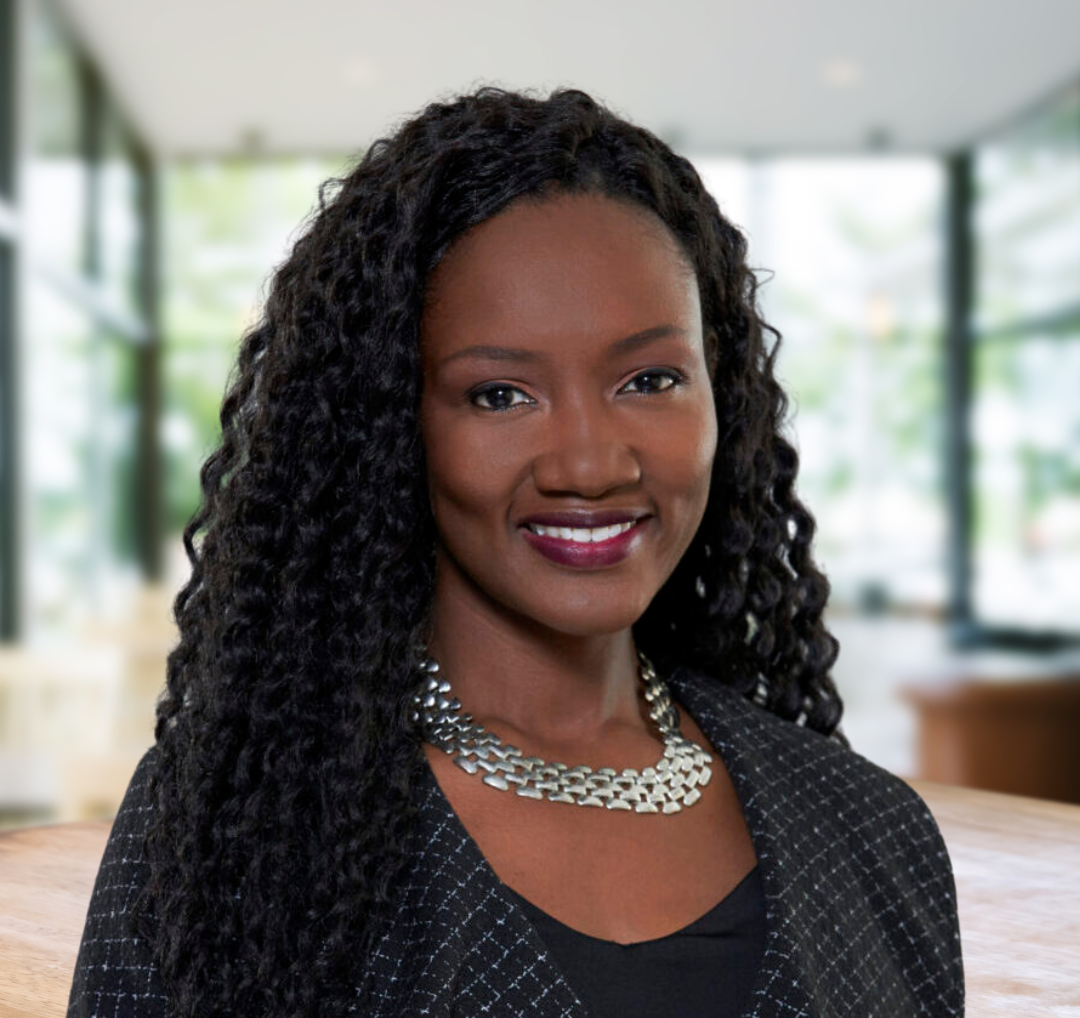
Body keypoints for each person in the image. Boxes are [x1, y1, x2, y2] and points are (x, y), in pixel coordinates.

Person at [66, 86, 964, 1018]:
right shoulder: (232, 832)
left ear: (721, 396)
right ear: (390, 427)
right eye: (500, 395)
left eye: (650, 379)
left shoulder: (873, 833)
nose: (590, 463)